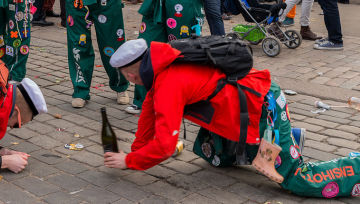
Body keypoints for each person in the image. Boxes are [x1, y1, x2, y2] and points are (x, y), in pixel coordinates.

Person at [106, 38, 360, 199]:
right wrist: (135, 151)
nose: (130, 81)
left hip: (262, 106)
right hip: (238, 110)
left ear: (130, 74)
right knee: (214, 156)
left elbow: (164, 145)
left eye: (128, 76)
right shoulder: (162, 66)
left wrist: (130, 160)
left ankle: (355, 168)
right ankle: (287, 139)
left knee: (295, 179)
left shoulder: (168, 85)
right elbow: (148, 118)